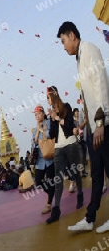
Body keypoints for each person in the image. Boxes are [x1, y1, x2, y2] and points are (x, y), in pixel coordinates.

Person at [58, 22, 109, 233]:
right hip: (93, 128)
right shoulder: (79, 58)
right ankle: (89, 219)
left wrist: (99, 123)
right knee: (96, 174)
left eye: (63, 41)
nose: (63, 46)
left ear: (72, 35)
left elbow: (101, 83)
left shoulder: (88, 49)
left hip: (103, 125)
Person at [45, 86, 83, 224]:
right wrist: (48, 125)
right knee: (58, 179)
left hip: (71, 144)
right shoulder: (51, 115)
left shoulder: (66, 106)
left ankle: (80, 194)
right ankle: (56, 210)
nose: (47, 100)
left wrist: (57, 117)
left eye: (48, 97)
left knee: (75, 172)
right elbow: (52, 134)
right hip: (58, 148)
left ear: (54, 96)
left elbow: (69, 126)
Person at [32, 104, 55, 215]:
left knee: (51, 181)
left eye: (39, 114)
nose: (37, 116)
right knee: (38, 181)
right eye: (35, 115)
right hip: (40, 160)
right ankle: (51, 193)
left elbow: (51, 135)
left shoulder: (48, 123)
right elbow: (34, 142)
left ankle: (49, 203)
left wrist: (43, 131)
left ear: (43, 113)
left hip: (50, 157)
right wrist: (38, 130)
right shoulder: (36, 128)